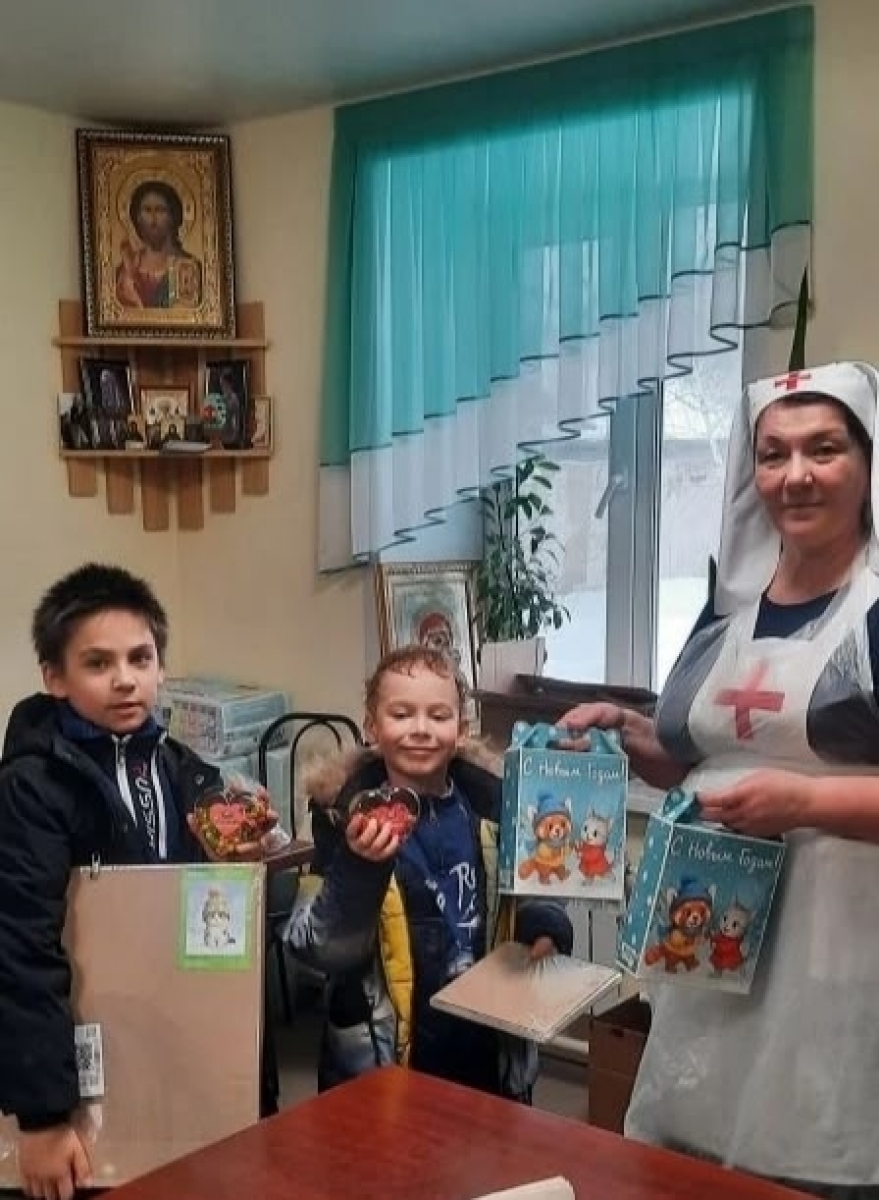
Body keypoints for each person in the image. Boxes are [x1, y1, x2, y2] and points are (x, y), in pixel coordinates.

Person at [557, 361, 879, 1197]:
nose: (794, 476)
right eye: (772, 455)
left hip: (841, 946)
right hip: (711, 938)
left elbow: (785, 777)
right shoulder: (729, 607)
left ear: (868, 461)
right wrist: (632, 737)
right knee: (691, 1158)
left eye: (823, 449)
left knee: (809, 1155)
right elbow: (709, 757)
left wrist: (804, 802)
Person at [0, 564, 274, 1200]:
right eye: (97, 663)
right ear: (54, 677)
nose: (124, 678)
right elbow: (18, 947)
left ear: (161, 668)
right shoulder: (30, 788)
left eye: (139, 658)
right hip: (78, 1053)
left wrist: (238, 856)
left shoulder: (183, 770)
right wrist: (41, 1117)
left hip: (168, 1045)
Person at [286, 643, 573, 1100]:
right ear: (372, 727)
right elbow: (318, 947)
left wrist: (543, 924)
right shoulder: (340, 819)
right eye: (401, 714)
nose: (420, 729)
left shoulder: (497, 810)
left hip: (485, 1047)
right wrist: (359, 868)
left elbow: (531, 889)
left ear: (461, 729)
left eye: (438, 716)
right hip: (384, 1060)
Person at [115, 180, 202, 309]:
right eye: (147, 210)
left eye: (160, 210)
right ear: (137, 218)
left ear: (173, 216)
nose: (153, 217)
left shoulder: (188, 267)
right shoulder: (124, 270)